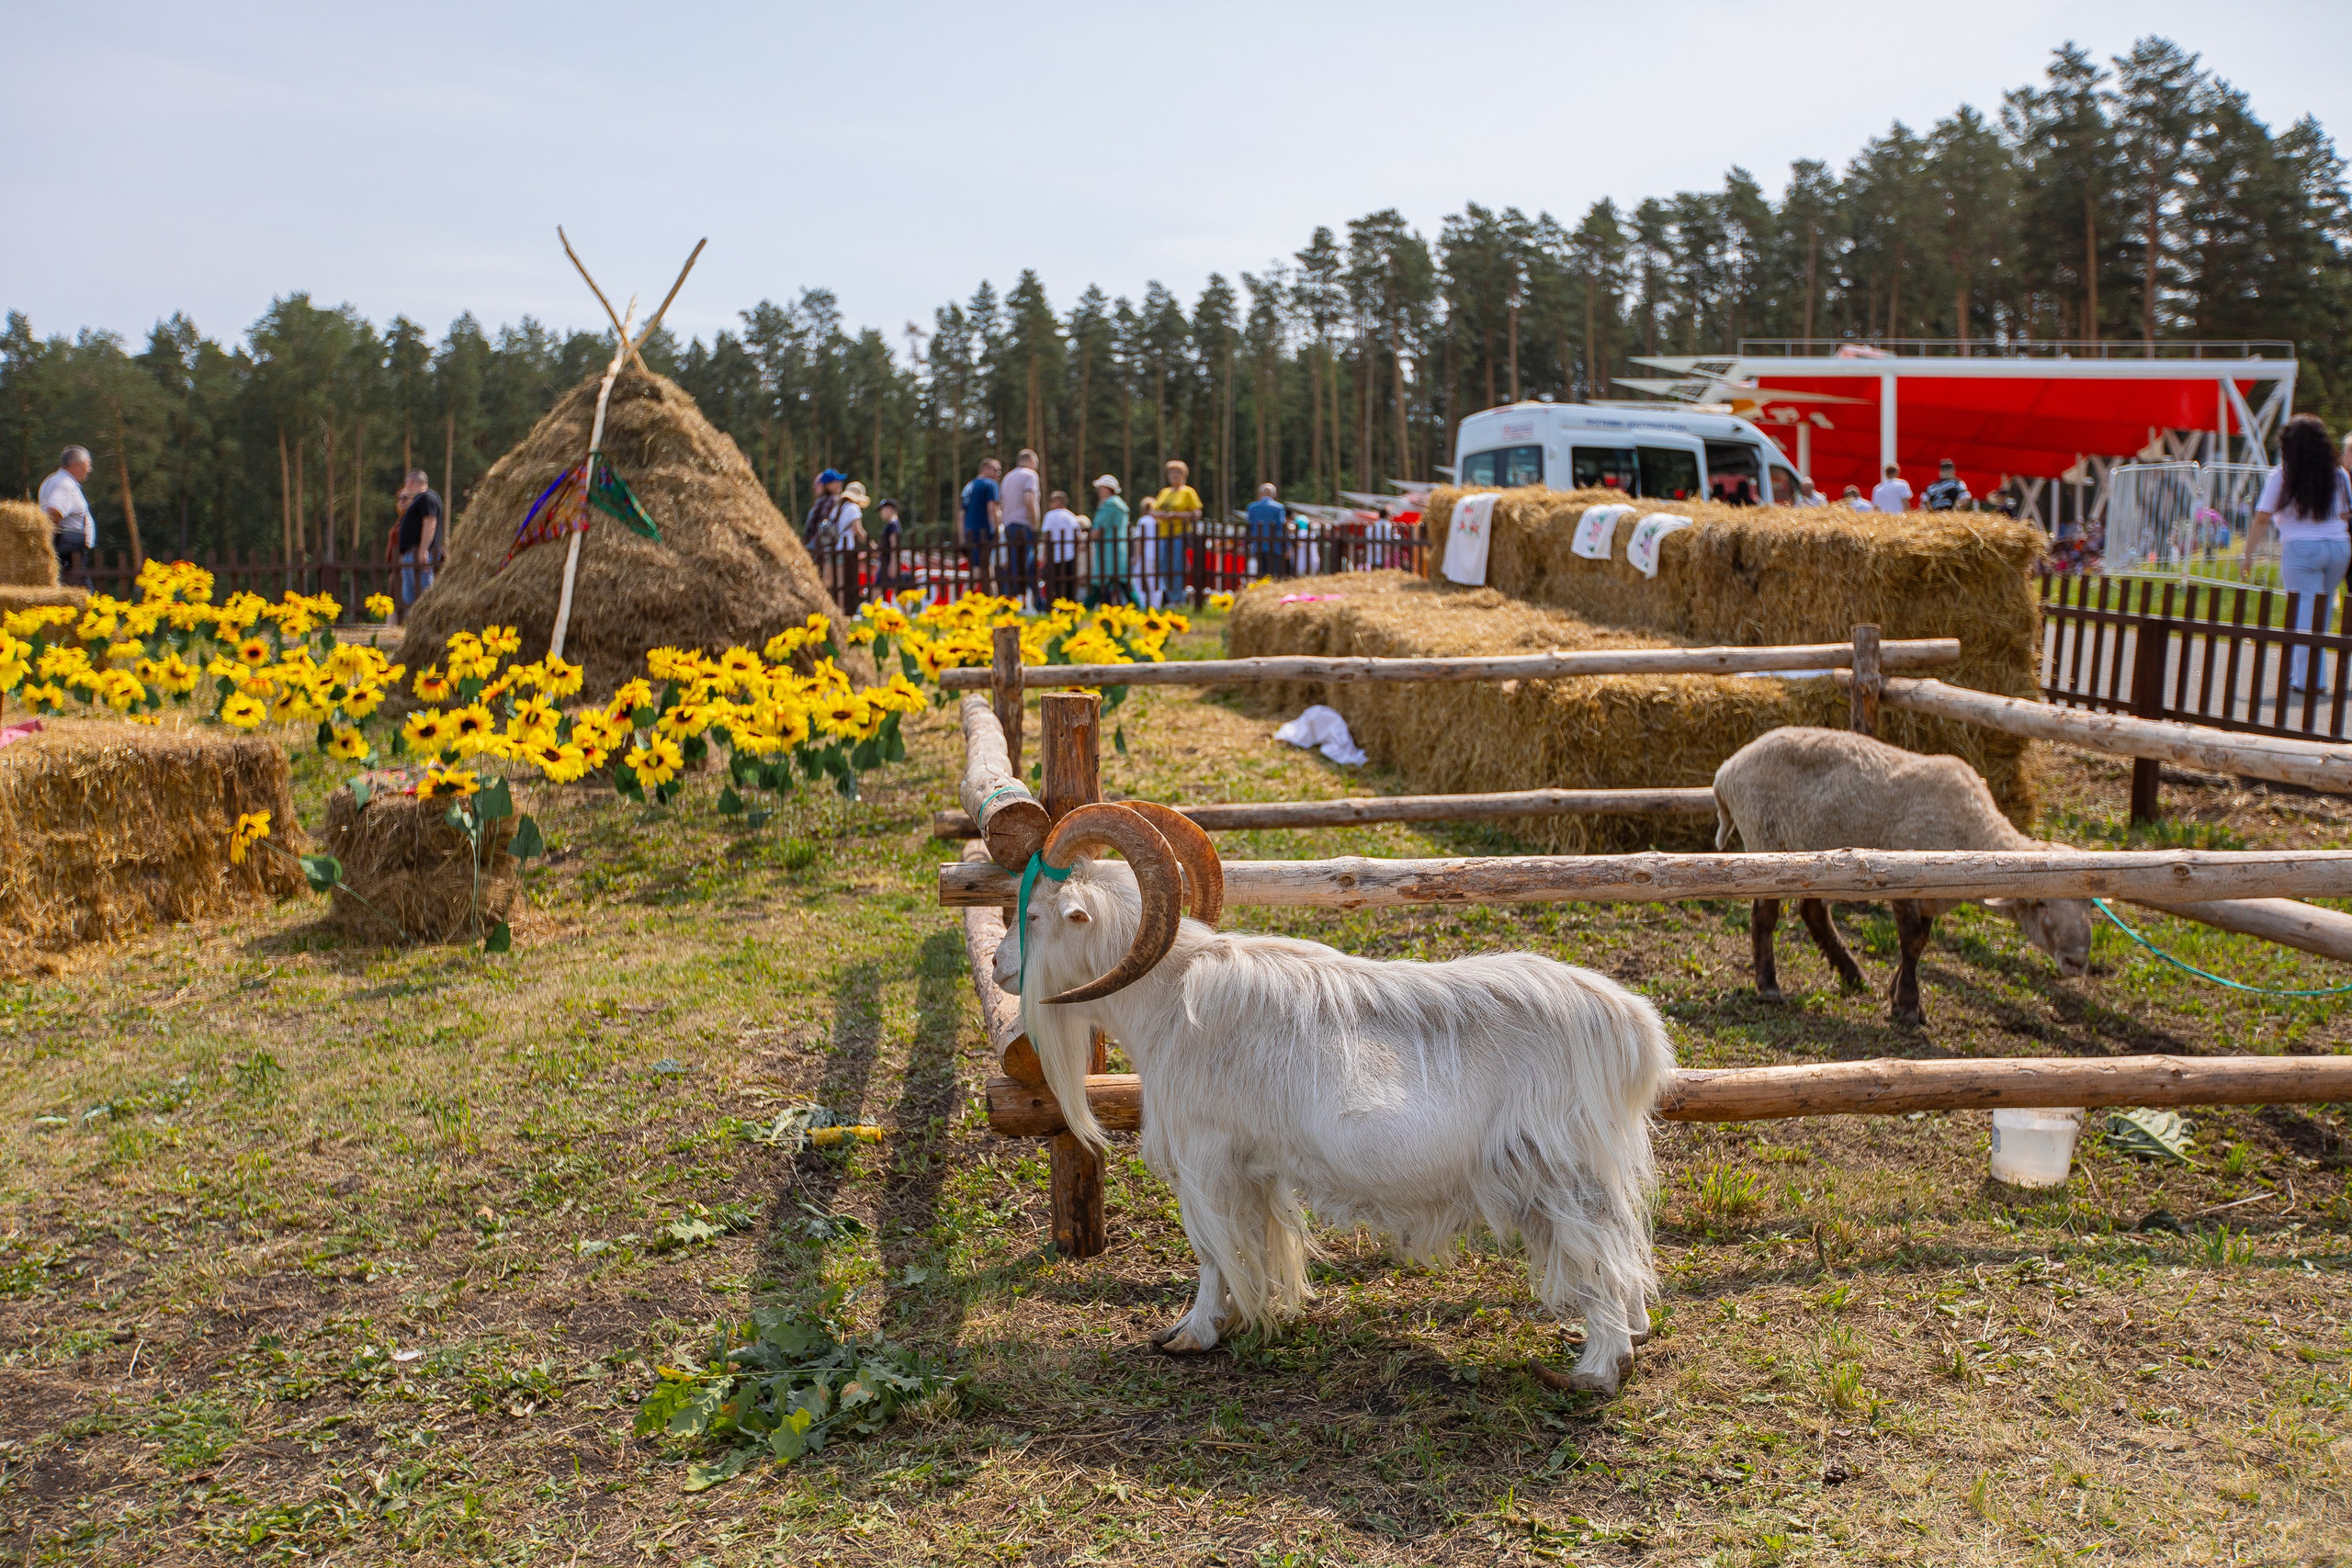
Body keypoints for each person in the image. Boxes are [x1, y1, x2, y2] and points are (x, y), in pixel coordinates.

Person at [2245, 413, 2352, 692]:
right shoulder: (2339, 474)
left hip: (2302, 548)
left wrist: (2247, 554)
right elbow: (2344, 513)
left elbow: (2262, 518)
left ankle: (2308, 680)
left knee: (2304, 613)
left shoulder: (2282, 474)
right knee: (2322, 610)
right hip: (2339, 547)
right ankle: (2314, 675)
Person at [388, 468, 442, 612]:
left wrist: (423, 550)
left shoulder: (426, 498)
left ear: (410, 482)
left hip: (419, 554)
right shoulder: (420, 500)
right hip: (411, 554)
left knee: (423, 596)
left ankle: (426, 622)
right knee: (410, 599)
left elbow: (430, 522)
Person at [40, 446, 95, 585]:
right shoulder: (66, 485)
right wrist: (55, 541)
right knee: (84, 592)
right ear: (75, 465)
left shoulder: (51, 480)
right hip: (69, 555)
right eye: (87, 465)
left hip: (64, 552)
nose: (89, 469)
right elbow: (53, 512)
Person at [1150, 459, 1202, 606]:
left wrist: (1176, 515)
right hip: (1164, 534)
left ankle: (1178, 598)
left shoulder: (1188, 492)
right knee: (1164, 567)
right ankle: (1170, 596)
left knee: (1177, 566)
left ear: (1184, 475)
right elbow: (1153, 511)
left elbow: (1196, 513)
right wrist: (1161, 515)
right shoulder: (1164, 492)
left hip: (1180, 534)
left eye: (1178, 472)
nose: (1174, 475)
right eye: (1171, 472)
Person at [1000, 450, 1042, 607]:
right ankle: (1036, 603)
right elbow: (1029, 500)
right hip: (1024, 525)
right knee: (1028, 566)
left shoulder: (1007, 477)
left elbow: (1002, 502)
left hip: (1009, 524)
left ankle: (1009, 601)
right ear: (1032, 461)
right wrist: (1035, 523)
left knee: (1013, 565)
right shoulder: (1030, 475)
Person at [1085, 475, 1130, 607]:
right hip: (1117, 547)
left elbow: (1100, 528)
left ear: (1107, 489)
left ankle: (1085, 608)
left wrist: (1086, 540)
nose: (1098, 491)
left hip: (1108, 549)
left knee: (1103, 581)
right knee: (1120, 581)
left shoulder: (1110, 505)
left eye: (1100, 488)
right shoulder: (1119, 505)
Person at [960, 457, 1001, 595]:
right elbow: (992, 509)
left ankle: (990, 601)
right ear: (986, 469)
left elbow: (961, 515)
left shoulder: (968, 487)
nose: (998, 475)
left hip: (969, 533)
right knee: (981, 571)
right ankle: (965, 601)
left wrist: (963, 538)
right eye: (996, 470)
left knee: (982, 570)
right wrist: (997, 529)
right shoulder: (990, 484)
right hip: (984, 532)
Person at [1039, 490, 1084, 606]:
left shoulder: (1050, 515)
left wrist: (1044, 556)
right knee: (1069, 585)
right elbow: (1078, 537)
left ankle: (1056, 607)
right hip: (1070, 555)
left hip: (1055, 556)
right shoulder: (1072, 516)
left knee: (1056, 586)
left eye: (1051, 501)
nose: (1050, 504)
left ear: (1058, 501)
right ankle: (1071, 606)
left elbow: (1047, 536)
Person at [1246, 482, 1289, 578]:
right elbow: (1282, 527)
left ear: (1260, 493)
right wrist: (1287, 546)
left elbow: (1249, 527)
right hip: (1275, 546)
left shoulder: (1252, 507)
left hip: (1258, 545)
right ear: (1274, 494)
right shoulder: (1279, 508)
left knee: (1260, 573)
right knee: (1273, 574)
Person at [801, 468, 846, 553]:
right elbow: (821, 523)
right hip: (823, 546)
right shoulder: (831, 501)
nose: (840, 483)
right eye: (836, 481)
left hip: (817, 545)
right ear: (829, 485)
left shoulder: (821, 502)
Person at [1132, 502, 1159, 606]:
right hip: (1157, 555)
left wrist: (1136, 556)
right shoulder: (1158, 521)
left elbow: (1139, 540)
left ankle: (1141, 604)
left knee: (1137, 581)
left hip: (1145, 555)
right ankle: (1156, 606)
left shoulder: (1143, 520)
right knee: (1154, 582)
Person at [874, 497, 903, 592]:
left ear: (889, 509)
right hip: (886, 562)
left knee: (877, 590)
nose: (881, 513)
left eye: (882, 510)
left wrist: (893, 564)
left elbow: (894, 545)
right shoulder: (894, 524)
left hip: (887, 563)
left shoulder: (892, 524)